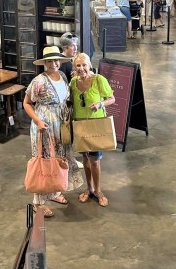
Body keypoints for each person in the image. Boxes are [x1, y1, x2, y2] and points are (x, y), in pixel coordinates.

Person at [23, 46, 82, 218]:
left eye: (56, 60)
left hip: (60, 126)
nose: (53, 64)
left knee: (59, 159)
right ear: (44, 63)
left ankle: (54, 192)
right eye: (49, 61)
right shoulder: (39, 81)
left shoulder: (62, 76)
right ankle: (38, 203)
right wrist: (38, 121)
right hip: (45, 127)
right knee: (44, 162)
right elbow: (27, 103)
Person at [70, 52, 115, 207]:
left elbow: (112, 99)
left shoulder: (98, 80)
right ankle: (89, 189)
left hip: (95, 126)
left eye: (84, 65)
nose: (81, 68)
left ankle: (98, 191)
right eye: (78, 65)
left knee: (94, 161)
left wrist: (100, 104)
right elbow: (71, 101)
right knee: (85, 159)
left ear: (89, 65)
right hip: (80, 125)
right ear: (74, 68)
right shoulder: (73, 82)